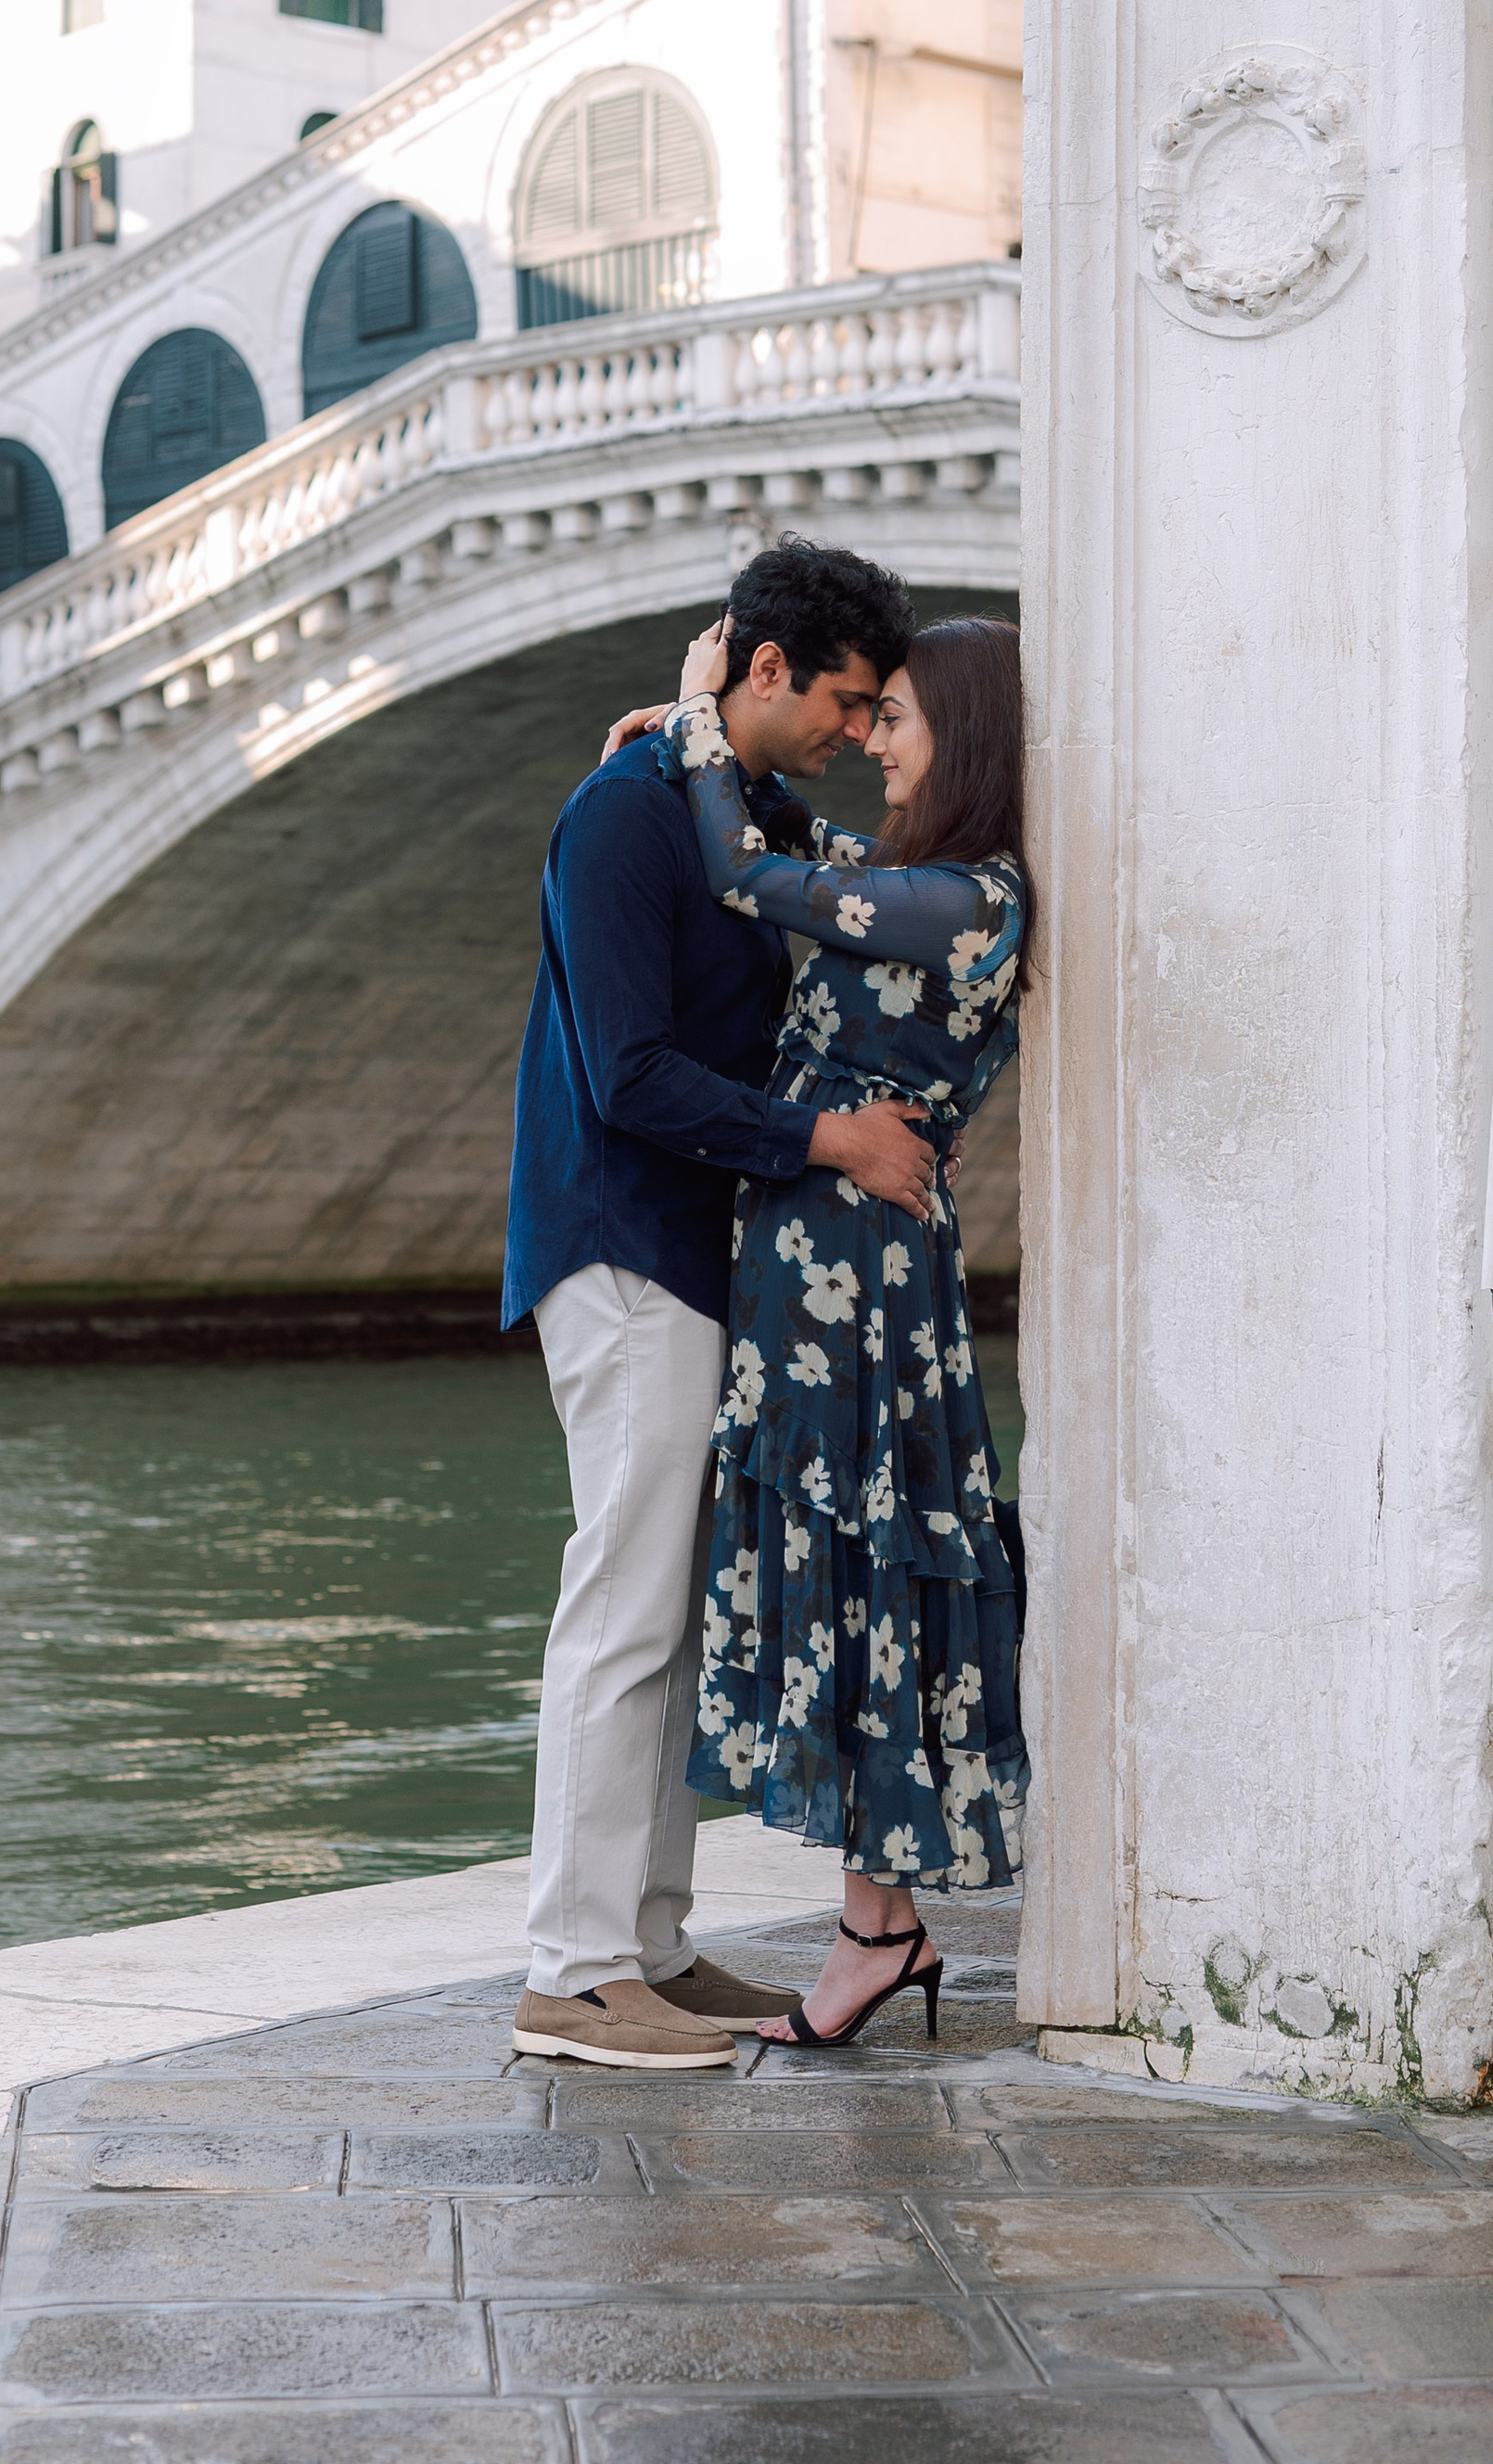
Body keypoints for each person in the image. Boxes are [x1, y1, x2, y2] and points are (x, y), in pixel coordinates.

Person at [503, 538, 939, 2072]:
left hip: (694, 1255)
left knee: (671, 1612)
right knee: (621, 1609)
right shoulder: (620, 822)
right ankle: (568, 1968)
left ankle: (650, 1948)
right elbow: (625, 1076)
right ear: (766, 669)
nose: (857, 729)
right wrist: (832, 1141)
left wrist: (687, 715)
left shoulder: (720, 799)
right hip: (624, 1250)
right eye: (843, 699)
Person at [640, 608, 1031, 2048]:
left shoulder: (973, 900)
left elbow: (753, 876)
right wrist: (702, 758)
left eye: (900, 719)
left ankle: (880, 1929)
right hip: (816, 1262)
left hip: (857, 1279)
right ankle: (879, 1930)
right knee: (858, 1574)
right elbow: (794, 841)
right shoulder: (911, 879)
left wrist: (695, 720)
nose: (873, 739)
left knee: (874, 1569)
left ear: (965, 739)